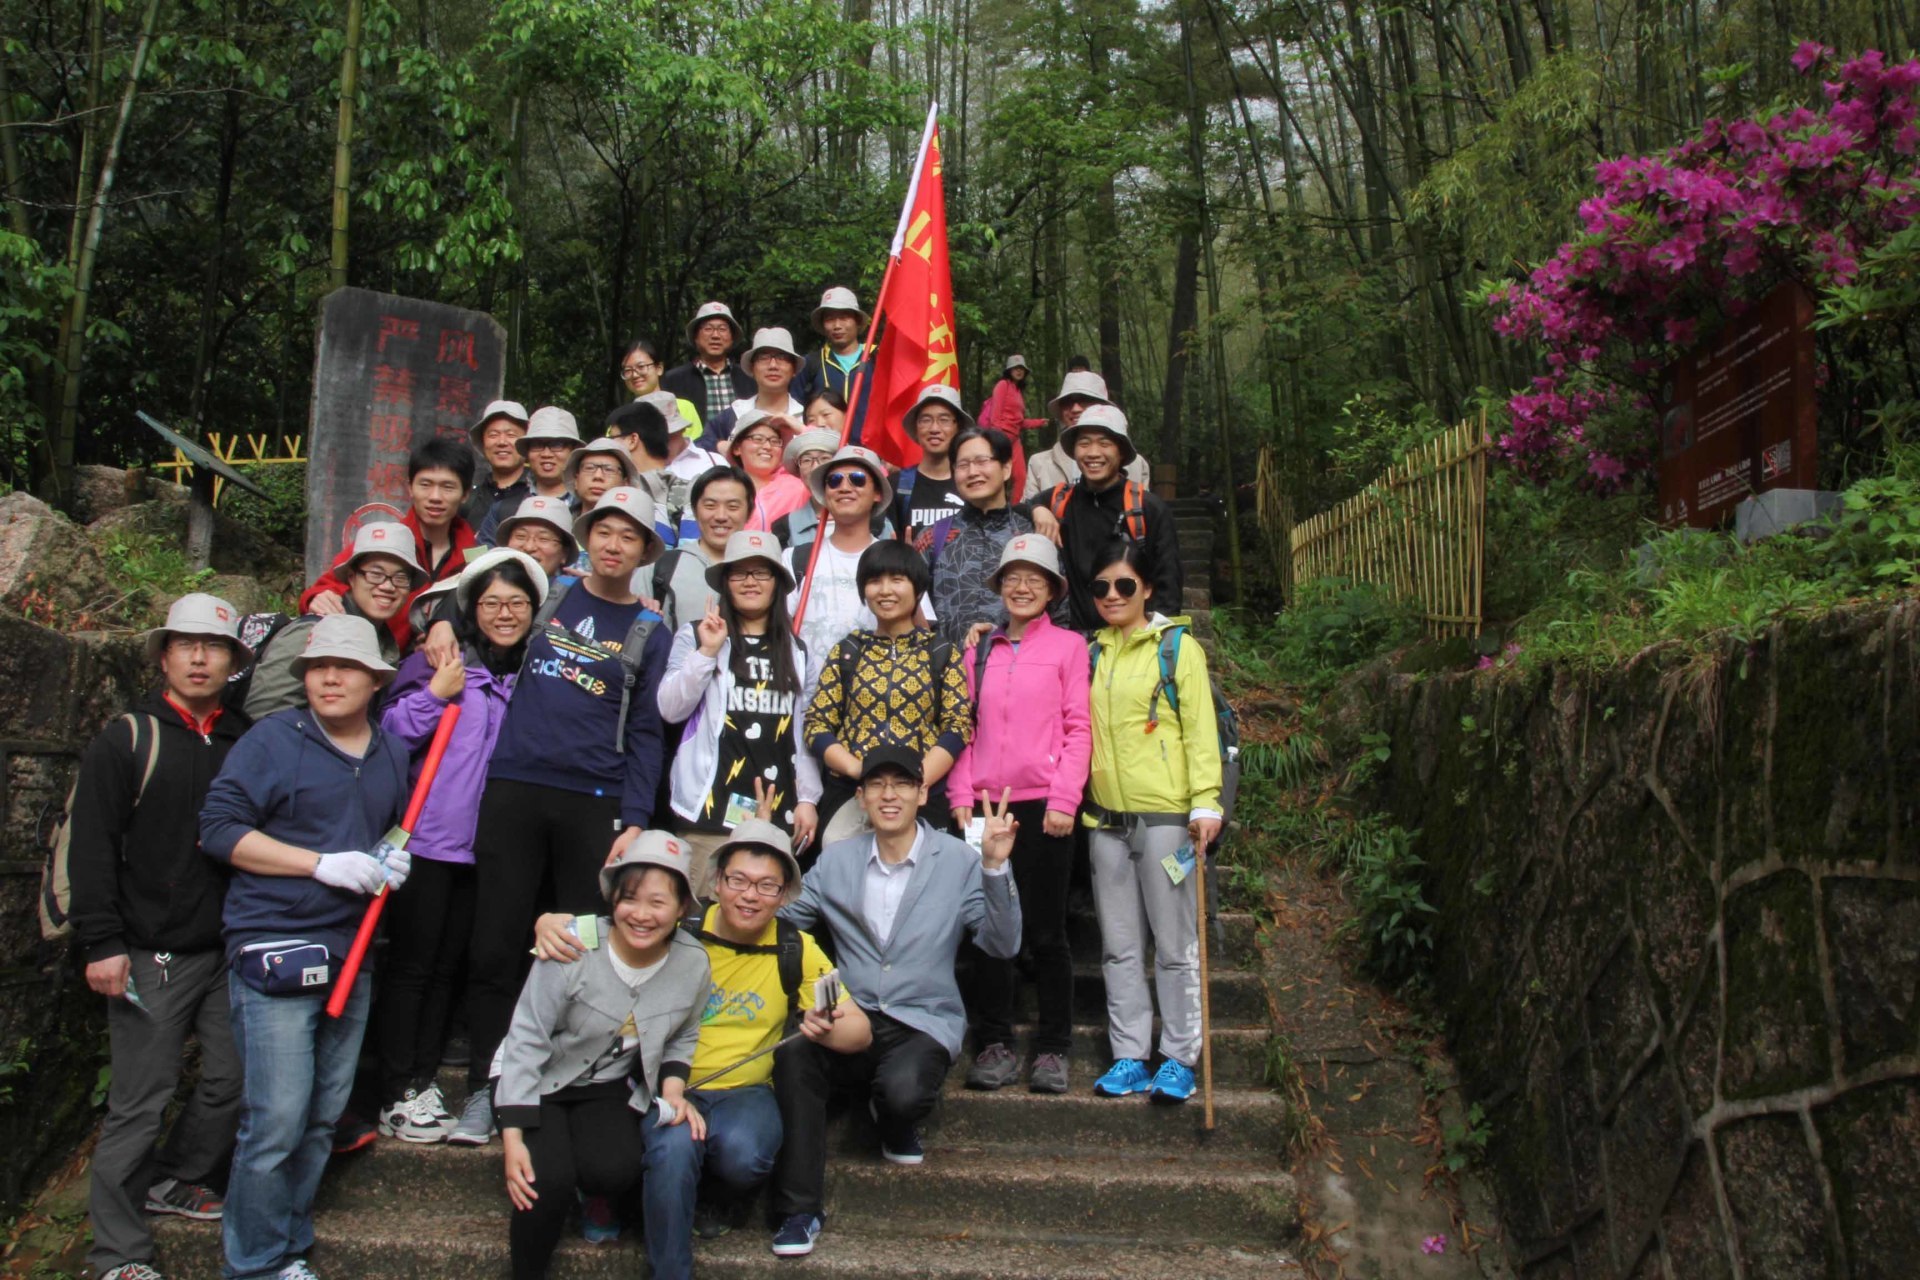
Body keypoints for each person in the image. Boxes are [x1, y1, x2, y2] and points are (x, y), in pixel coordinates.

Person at [528, 823, 871, 1253]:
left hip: (743, 1091)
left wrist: (826, 1028)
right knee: (657, 1152)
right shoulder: (681, 926)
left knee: (747, 1155)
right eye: (739, 880)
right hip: (661, 1081)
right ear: (716, 881)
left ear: (785, 895)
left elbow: (860, 1032)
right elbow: (622, 923)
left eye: (767, 886)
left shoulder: (794, 948)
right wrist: (550, 921)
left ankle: (713, 1198)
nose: (750, 895)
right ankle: (621, 1201)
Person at [452, 486, 673, 1148]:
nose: (613, 544)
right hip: (516, 787)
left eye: (627, 536)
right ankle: (488, 1087)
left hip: (596, 800)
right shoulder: (549, 593)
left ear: (643, 551)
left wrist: (636, 815)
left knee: (579, 953)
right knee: (496, 942)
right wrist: (443, 621)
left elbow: (647, 732)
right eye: (603, 531)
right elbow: (472, 604)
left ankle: (566, 1084)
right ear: (586, 537)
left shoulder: (649, 629)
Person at [198, 614, 412, 1280]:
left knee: (322, 1117)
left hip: (353, 953)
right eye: (318, 666)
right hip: (276, 944)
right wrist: (318, 863)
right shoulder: (272, 738)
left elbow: (391, 831)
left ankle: (286, 1243)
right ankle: (254, 1263)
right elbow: (220, 830)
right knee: (277, 1120)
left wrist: (391, 860)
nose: (328, 677)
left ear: (376, 680)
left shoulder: (390, 751)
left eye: (345, 667)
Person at [766, 747, 1021, 1258]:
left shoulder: (957, 860)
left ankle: (893, 1117)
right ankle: (799, 1209)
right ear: (859, 797)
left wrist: (995, 869)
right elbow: (783, 921)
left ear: (922, 794)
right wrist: (759, 851)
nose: (889, 794)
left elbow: (1001, 944)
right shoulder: (836, 861)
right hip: (853, 1017)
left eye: (902, 784)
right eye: (877, 784)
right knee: (794, 1055)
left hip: (922, 1020)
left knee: (902, 1092)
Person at [73, 595, 253, 1280]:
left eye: (214, 646)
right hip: (149, 948)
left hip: (226, 945)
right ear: (164, 655)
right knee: (139, 1102)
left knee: (232, 1079)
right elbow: (91, 846)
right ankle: (117, 1252)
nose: (200, 657)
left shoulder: (244, 736)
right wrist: (102, 942)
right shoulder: (127, 737)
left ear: (235, 660)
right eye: (186, 645)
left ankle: (175, 1176)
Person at [373, 550, 547, 1144]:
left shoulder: (528, 674)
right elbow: (389, 735)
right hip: (427, 842)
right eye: (493, 602)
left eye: (518, 604)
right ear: (472, 608)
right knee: (412, 968)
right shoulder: (441, 662)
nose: (505, 614)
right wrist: (435, 694)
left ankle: (425, 1080)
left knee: (452, 968)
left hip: (491, 848)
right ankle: (399, 1087)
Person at [495, 832, 710, 1280]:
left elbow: (684, 1033)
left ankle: (589, 1188)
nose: (642, 914)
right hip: (537, 1078)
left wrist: (674, 1091)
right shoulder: (571, 943)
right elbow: (526, 1038)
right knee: (544, 1182)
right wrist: (513, 1137)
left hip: (603, 1086)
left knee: (616, 1168)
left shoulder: (693, 962)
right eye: (629, 899)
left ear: (682, 909)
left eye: (658, 902)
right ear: (613, 899)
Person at [1081, 539, 1222, 1104]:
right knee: (1117, 946)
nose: (1112, 596)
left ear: (1147, 590)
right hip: (1106, 820)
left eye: (1124, 585)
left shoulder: (1177, 648)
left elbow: (1200, 729)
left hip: (1167, 818)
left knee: (1174, 943)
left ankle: (1180, 1056)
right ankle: (1130, 1054)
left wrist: (1205, 801)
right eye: (1101, 587)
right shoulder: (1092, 652)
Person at [946, 536, 1089, 1095]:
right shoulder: (979, 649)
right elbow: (964, 728)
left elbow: (1079, 727)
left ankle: (1054, 1049)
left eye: (1035, 578)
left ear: (1053, 590)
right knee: (988, 933)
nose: (1022, 586)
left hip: (1042, 804)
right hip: (985, 806)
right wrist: (961, 795)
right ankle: (994, 1042)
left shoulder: (1070, 647)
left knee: (1048, 932)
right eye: (1012, 577)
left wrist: (1064, 799)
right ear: (999, 587)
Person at [655, 531, 821, 890]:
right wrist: (706, 653)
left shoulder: (797, 650)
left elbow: (803, 733)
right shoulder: (696, 635)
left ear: (777, 582)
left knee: (761, 928)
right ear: (725, 582)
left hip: (776, 814)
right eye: (739, 573)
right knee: (701, 927)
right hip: (707, 812)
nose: (750, 582)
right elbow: (670, 708)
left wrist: (807, 798)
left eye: (761, 573)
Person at [804, 540, 969, 840]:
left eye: (897, 579)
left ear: (917, 589)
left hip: (924, 795)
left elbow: (957, 725)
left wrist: (913, 782)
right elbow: (816, 725)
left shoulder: (940, 651)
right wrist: (862, 773)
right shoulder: (848, 652)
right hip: (853, 795)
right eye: (874, 580)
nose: (885, 590)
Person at [301, 437, 479, 642]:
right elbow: (326, 586)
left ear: (465, 494)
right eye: (426, 484)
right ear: (410, 488)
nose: (435, 497)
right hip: (375, 653)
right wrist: (318, 597)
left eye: (448, 487)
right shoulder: (384, 541)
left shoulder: (473, 551)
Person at [245, 523, 417, 718]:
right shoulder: (314, 630)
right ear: (351, 577)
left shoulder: (384, 641)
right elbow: (263, 711)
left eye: (400, 578)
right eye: (375, 575)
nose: (387, 586)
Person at [1043, 403, 1182, 632]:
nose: (1093, 453)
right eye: (1084, 443)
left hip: (1132, 642)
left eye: (1104, 443)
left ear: (1121, 452)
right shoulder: (1061, 500)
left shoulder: (1148, 508)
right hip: (1075, 642)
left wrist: (1160, 642)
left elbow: (1168, 587)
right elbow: (1015, 510)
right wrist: (1037, 510)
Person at [917, 426, 1042, 649]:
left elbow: (1060, 611)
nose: (973, 472)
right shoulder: (933, 537)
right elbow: (913, 609)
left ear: (1005, 468)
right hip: (948, 674)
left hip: (1019, 671)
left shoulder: (1033, 535)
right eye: (963, 465)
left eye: (982, 461)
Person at [783, 444, 888, 666]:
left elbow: (919, 638)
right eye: (834, 480)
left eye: (857, 479)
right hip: (807, 696)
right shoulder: (796, 558)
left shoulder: (893, 560)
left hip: (873, 695)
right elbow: (776, 630)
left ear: (877, 493)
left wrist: (911, 578)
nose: (844, 487)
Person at [648, 465, 754, 636]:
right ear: (695, 510)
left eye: (733, 507)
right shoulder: (660, 567)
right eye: (710, 505)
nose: (721, 516)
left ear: (749, 512)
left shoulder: (765, 573)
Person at [1021, 370, 1151, 500]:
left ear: (1104, 407)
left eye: (1085, 400)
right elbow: (1025, 513)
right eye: (1067, 402)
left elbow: (1146, 511)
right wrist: (1037, 508)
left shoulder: (1136, 465)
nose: (1075, 409)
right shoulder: (1040, 463)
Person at [475, 407, 586, 544]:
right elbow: (484, 560)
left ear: (573, 451)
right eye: (537, 445)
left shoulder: (590, 507)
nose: (546, 454)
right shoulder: (502, 510)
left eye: (557, 445)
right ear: (527, 453)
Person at [606, 397, 694, 547]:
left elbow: (689, 556)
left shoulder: (686, 494)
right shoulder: (689, 492)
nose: (608, 446)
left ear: (632, 440)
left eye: (612, 438)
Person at [661, 301, 754, 441]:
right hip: (695, 456)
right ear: (696, 337)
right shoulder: (674, 380)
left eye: (722, 329)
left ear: (732, 338)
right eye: (708, 329)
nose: (715, 335)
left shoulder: (749, 378)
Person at [890, 384, 970, 538]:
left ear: (958, 427)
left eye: (944, 420)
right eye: (926, 420)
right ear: (917, 427)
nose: (934, 429)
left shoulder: (971, 481)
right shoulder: (897, 486)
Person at [557, 439, 641, 577]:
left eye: (609, 470)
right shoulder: (559, 525)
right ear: (576, 480)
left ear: (625, 483)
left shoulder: (639, 529)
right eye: (589, 468)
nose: (598, 476)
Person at [708, 327, 806, 444]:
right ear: (752, 368)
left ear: (794, 369)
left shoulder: (806, 416)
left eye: (782, 358)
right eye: (764, 358)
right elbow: (701, 444)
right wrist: (721, 446)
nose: (773, 365)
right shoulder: (734, 414)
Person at [726, 407, 809, 533]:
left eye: (774, 441)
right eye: (758, 439)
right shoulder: (724, 488)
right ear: (737, 448)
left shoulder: (799, 486)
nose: (767, 446)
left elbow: (839, 462)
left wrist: (802, 429)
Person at [793, 287, 868, 411]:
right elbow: (796, 410)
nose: (837, 326)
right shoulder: (811, 364)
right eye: (830, 319)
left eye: (844, 318)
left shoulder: (876, 359)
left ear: (857, 321)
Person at [618, 338, 706, 441]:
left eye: (641, 367)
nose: (635, 374)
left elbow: (697, 448)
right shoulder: (621, 417)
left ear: (659, 368)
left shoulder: (684, 407)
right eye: (628, 370)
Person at [977, 355, 1039, 496]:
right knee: (996, 475)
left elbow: (1020, 421)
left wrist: (1039, 422)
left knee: (1021, 477)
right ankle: (992, 508)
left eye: (1021, 368)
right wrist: (997, 438)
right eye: (1015, 368)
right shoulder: (1002, 385)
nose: (1019, 371)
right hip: (1001, 436)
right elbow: (995, 416)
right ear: (1009, 370)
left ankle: (1016, 511)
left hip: (1015, 439)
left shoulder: (1018, 392)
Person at [464, 400, 532, 527]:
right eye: (493, 435)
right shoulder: (468, 501)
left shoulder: (539, 496)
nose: (502, 442)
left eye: (511, 434)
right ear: (483, 443)